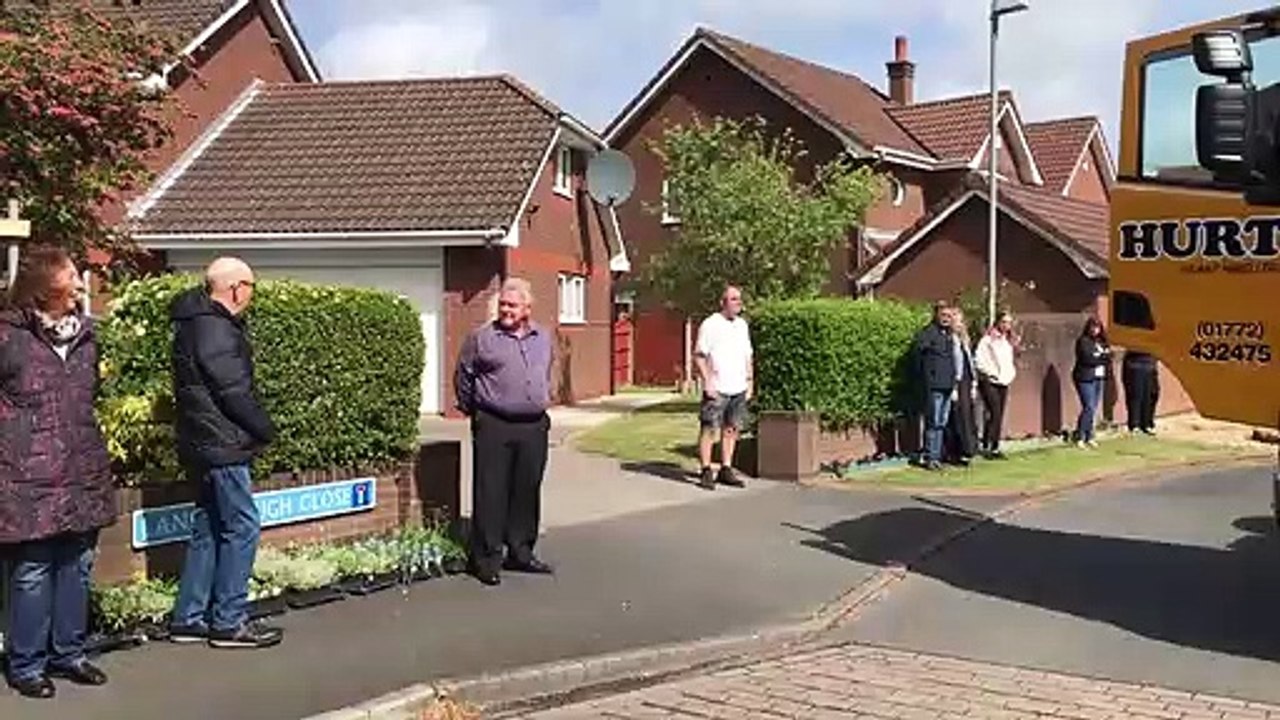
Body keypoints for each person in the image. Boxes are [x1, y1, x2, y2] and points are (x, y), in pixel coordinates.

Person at [0, 246, 114, 699]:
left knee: (77, 565)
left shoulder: (86, 337)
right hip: (25, 475)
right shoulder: (9, 338)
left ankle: (70, 653)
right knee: (31, 570)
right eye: (72, 276)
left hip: (80, 470)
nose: (81, 286)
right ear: (46, 286)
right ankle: (27, 664)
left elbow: (90, 398)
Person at [168, 257, 280, 649]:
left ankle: (189, 617)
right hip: (223, 444)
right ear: (235, 288)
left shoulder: (192, 323)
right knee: (242, 526)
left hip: (202, 443)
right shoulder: (215, 329)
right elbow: (233, 392)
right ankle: (229, 621)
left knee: (209, 527)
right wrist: (265, 430)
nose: (251, 294)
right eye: (250, 286)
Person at [455, 278, 554, 587]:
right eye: (503, 305)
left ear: (527, 308)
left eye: (512, 305)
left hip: (533, 425)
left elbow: (546, 373)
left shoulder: (543, 337)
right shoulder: (481, 339)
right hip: (494, 424)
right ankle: (486, 559)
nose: (506, 310)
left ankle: (521, 552)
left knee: (526, 490)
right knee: (491, 491)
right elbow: (464, 377)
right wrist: (478, 413)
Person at [693, 285, 753, 490]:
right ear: (723, 302)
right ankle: (706, 469)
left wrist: (749, 381)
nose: (738, 303)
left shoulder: (742, 325)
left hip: (738, 386)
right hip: (717, 386)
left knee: (731, 428)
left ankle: (726, 468)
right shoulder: (710, 324)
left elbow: (748, 355)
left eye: (739, 299)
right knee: (709, 428)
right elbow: (699, 356)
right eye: (733, 299)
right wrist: (707, 380)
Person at [914, 301, 956, 471]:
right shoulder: (927, 333)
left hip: (947, 384)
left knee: (942, 422)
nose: (946, 319)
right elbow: (919, 357)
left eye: (949, 316)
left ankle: (937, 456)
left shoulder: (948, 335)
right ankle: (931, 457)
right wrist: (927, 378)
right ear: (936, 314)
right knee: (933, 421)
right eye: (944, 315)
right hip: (934, 385)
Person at [974, 312, 1018, 459]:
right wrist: (990, 373)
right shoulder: (987, 340)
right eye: (1004, 322)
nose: (1006, 325)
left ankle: (994, 445)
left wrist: (1010, 374)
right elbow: (979, 360)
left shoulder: (1007, 342)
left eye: (1009, 323)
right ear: (998, 322)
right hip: (990, 381)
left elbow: (1008, 362)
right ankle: (988, 445)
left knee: (998, 414)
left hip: (1003, 381)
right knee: (994, 412)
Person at [944, 309, 978, 466]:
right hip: (956, 382)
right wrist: (954, 388)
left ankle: (968, 449)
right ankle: (956, 452)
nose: (959, 324)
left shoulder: (964, 340)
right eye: (956, 321)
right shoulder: (949, 340)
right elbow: (951, 365)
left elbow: (969, 362)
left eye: (960, 321)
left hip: (966, 380)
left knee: (967, 416)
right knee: (957, 417)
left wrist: (973, 383)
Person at [1072, 316, 1112, 449]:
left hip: (1098, 378)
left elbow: (1109, 357)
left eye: (1098, 327)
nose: (1095, 330)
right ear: (1088, 328)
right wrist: (1102, 357)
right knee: (1088, 406)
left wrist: (1102, 357)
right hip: (1084, 378)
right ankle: (1079, 436)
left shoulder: (1102, 342)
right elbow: (1087, 360)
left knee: (1093, 408)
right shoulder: (1083, 341)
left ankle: (1090, 436)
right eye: (1093, 327)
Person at [1122, 350, 1159, 435]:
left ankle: (1147, 423)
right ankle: (1135, 425)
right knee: (1136, 396)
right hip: (1135, 365)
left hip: (1150, 366)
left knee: (1152, 395)